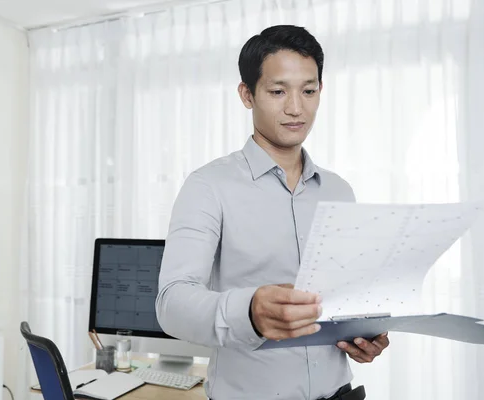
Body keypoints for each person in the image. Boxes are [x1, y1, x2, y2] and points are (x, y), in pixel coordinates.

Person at [155, 25, 389, 400]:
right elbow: (172, 303)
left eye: (308, 91)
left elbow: (346, 296)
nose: (296, 107)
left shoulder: (339, 191)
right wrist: (249, 310)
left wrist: (364, 335)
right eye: (278, 91)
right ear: (247, 94)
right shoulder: (207, 186)